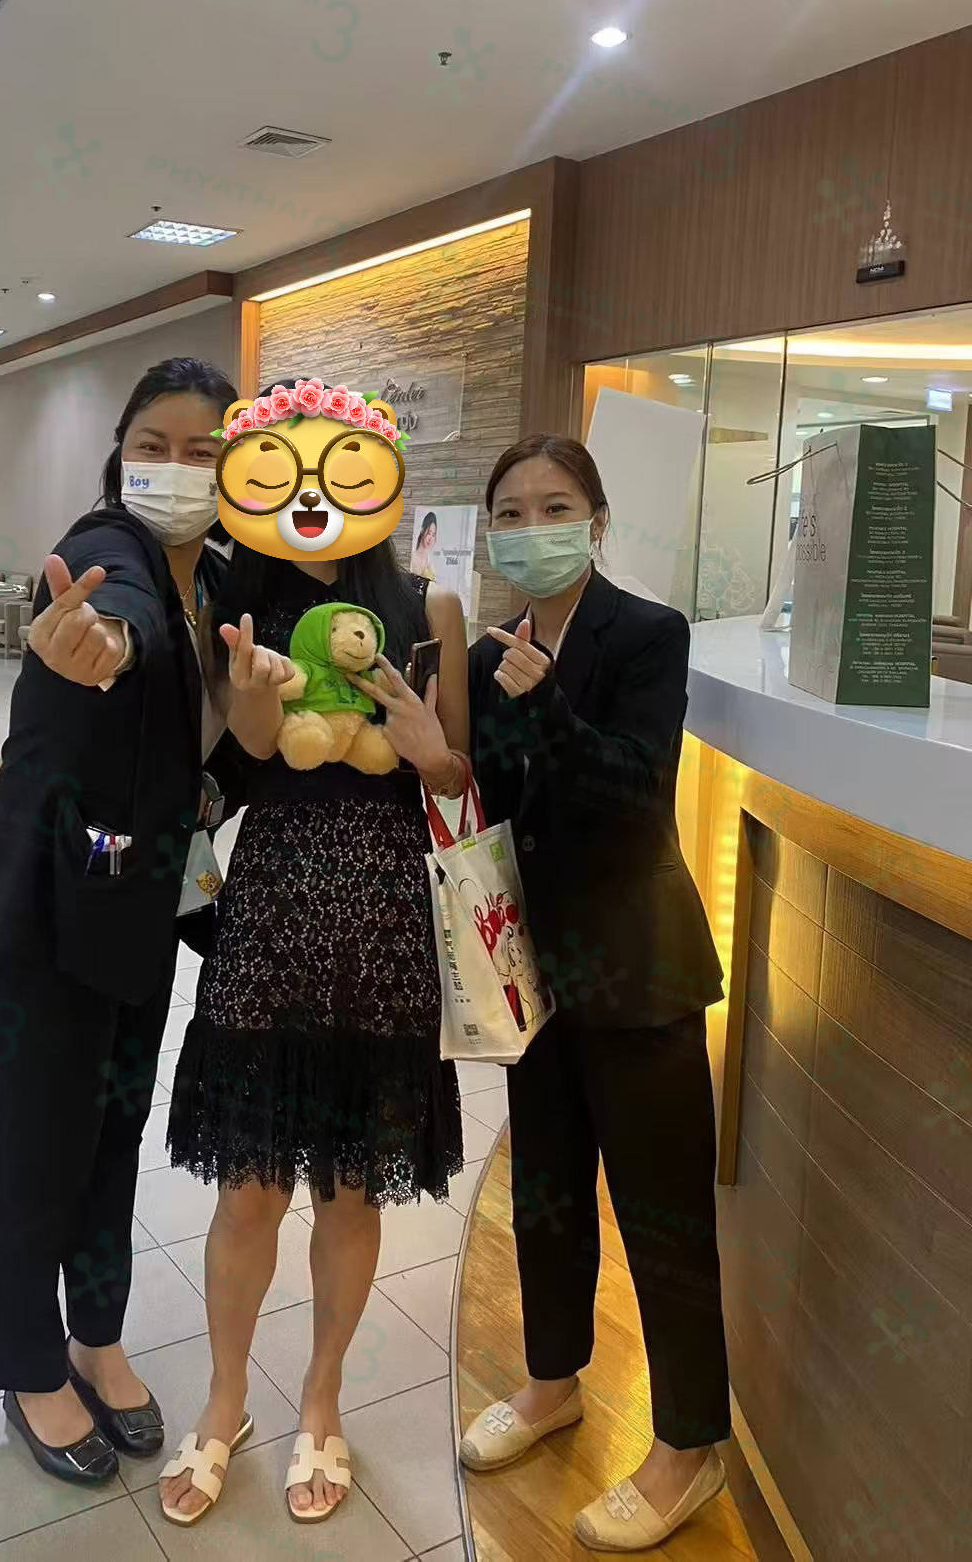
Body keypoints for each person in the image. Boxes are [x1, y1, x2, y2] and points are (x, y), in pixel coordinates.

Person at [156, 378, 470, 1528]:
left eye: (338, 471)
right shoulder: (238, 602)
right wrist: (248, 703)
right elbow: (241, 762)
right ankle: (225, 1400)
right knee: (248, 1187)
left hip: (383, 920)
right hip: (272, 909)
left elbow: (456, 779)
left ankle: (323, 1402)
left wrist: (429, 745)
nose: (313, 497)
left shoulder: (428, 607)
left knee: (348, 1186)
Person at [0, 357, 238, 1487]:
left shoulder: (220, 582)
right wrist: (103, 641)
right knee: (38, 1149)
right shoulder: (109, 551)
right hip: (35, 916)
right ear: (120, 454)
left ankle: (97, 1338)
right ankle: (30, 1367)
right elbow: (116, 612)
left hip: (133, 910)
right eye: (153, 444)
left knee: (110, 1139)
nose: (176, 467)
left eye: (204, 449)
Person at [460, 435, 730, 1553]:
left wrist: (551, 710)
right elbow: (495, 800)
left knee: (662, 1214)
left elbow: (636, 791)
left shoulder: (648, 634)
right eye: (511, 512)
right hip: (535, 970)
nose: (532, 529)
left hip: (637, 969)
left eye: (554, 506)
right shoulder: (491, 651)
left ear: (597, 520)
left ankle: (689, 1447)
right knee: (548, 1192)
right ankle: (551, 1380)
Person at [410, 510, 439, 579]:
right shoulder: (414, 558)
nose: (431, 538)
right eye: (429, 533)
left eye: (433, 535)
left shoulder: (428, 559)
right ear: (422, 530)